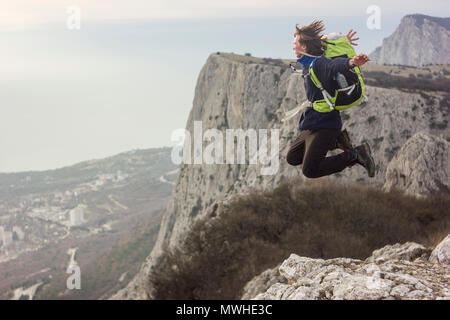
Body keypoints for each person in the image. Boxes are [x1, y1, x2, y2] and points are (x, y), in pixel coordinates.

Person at [286, 20, 375, 178]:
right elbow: (321, 41)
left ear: (304, 47)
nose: (292, 46)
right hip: (313, 119)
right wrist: (341, 41)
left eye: (295, 43)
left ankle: (356, 154)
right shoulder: (309, 60)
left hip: (327, 124)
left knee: (309, 171)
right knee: (292, 158)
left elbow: (334, 65)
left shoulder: (319, 63)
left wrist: (351, 62)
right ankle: (336, 142)